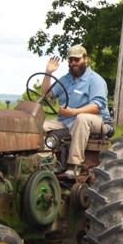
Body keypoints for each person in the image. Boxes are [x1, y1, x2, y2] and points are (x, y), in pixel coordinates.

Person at [40, 44, 111, 177]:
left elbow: (96, 106)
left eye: (77, 59)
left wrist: (72, 112)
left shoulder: (95, 80)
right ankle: (43, 162)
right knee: (40, 126)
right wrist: (48, 73)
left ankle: (74, 165)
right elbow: (45, 94)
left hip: (98, 121)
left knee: (82, 118)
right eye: (71, 60)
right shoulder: (66, 79)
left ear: (85, 59)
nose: (73, 63)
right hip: (67, 120)